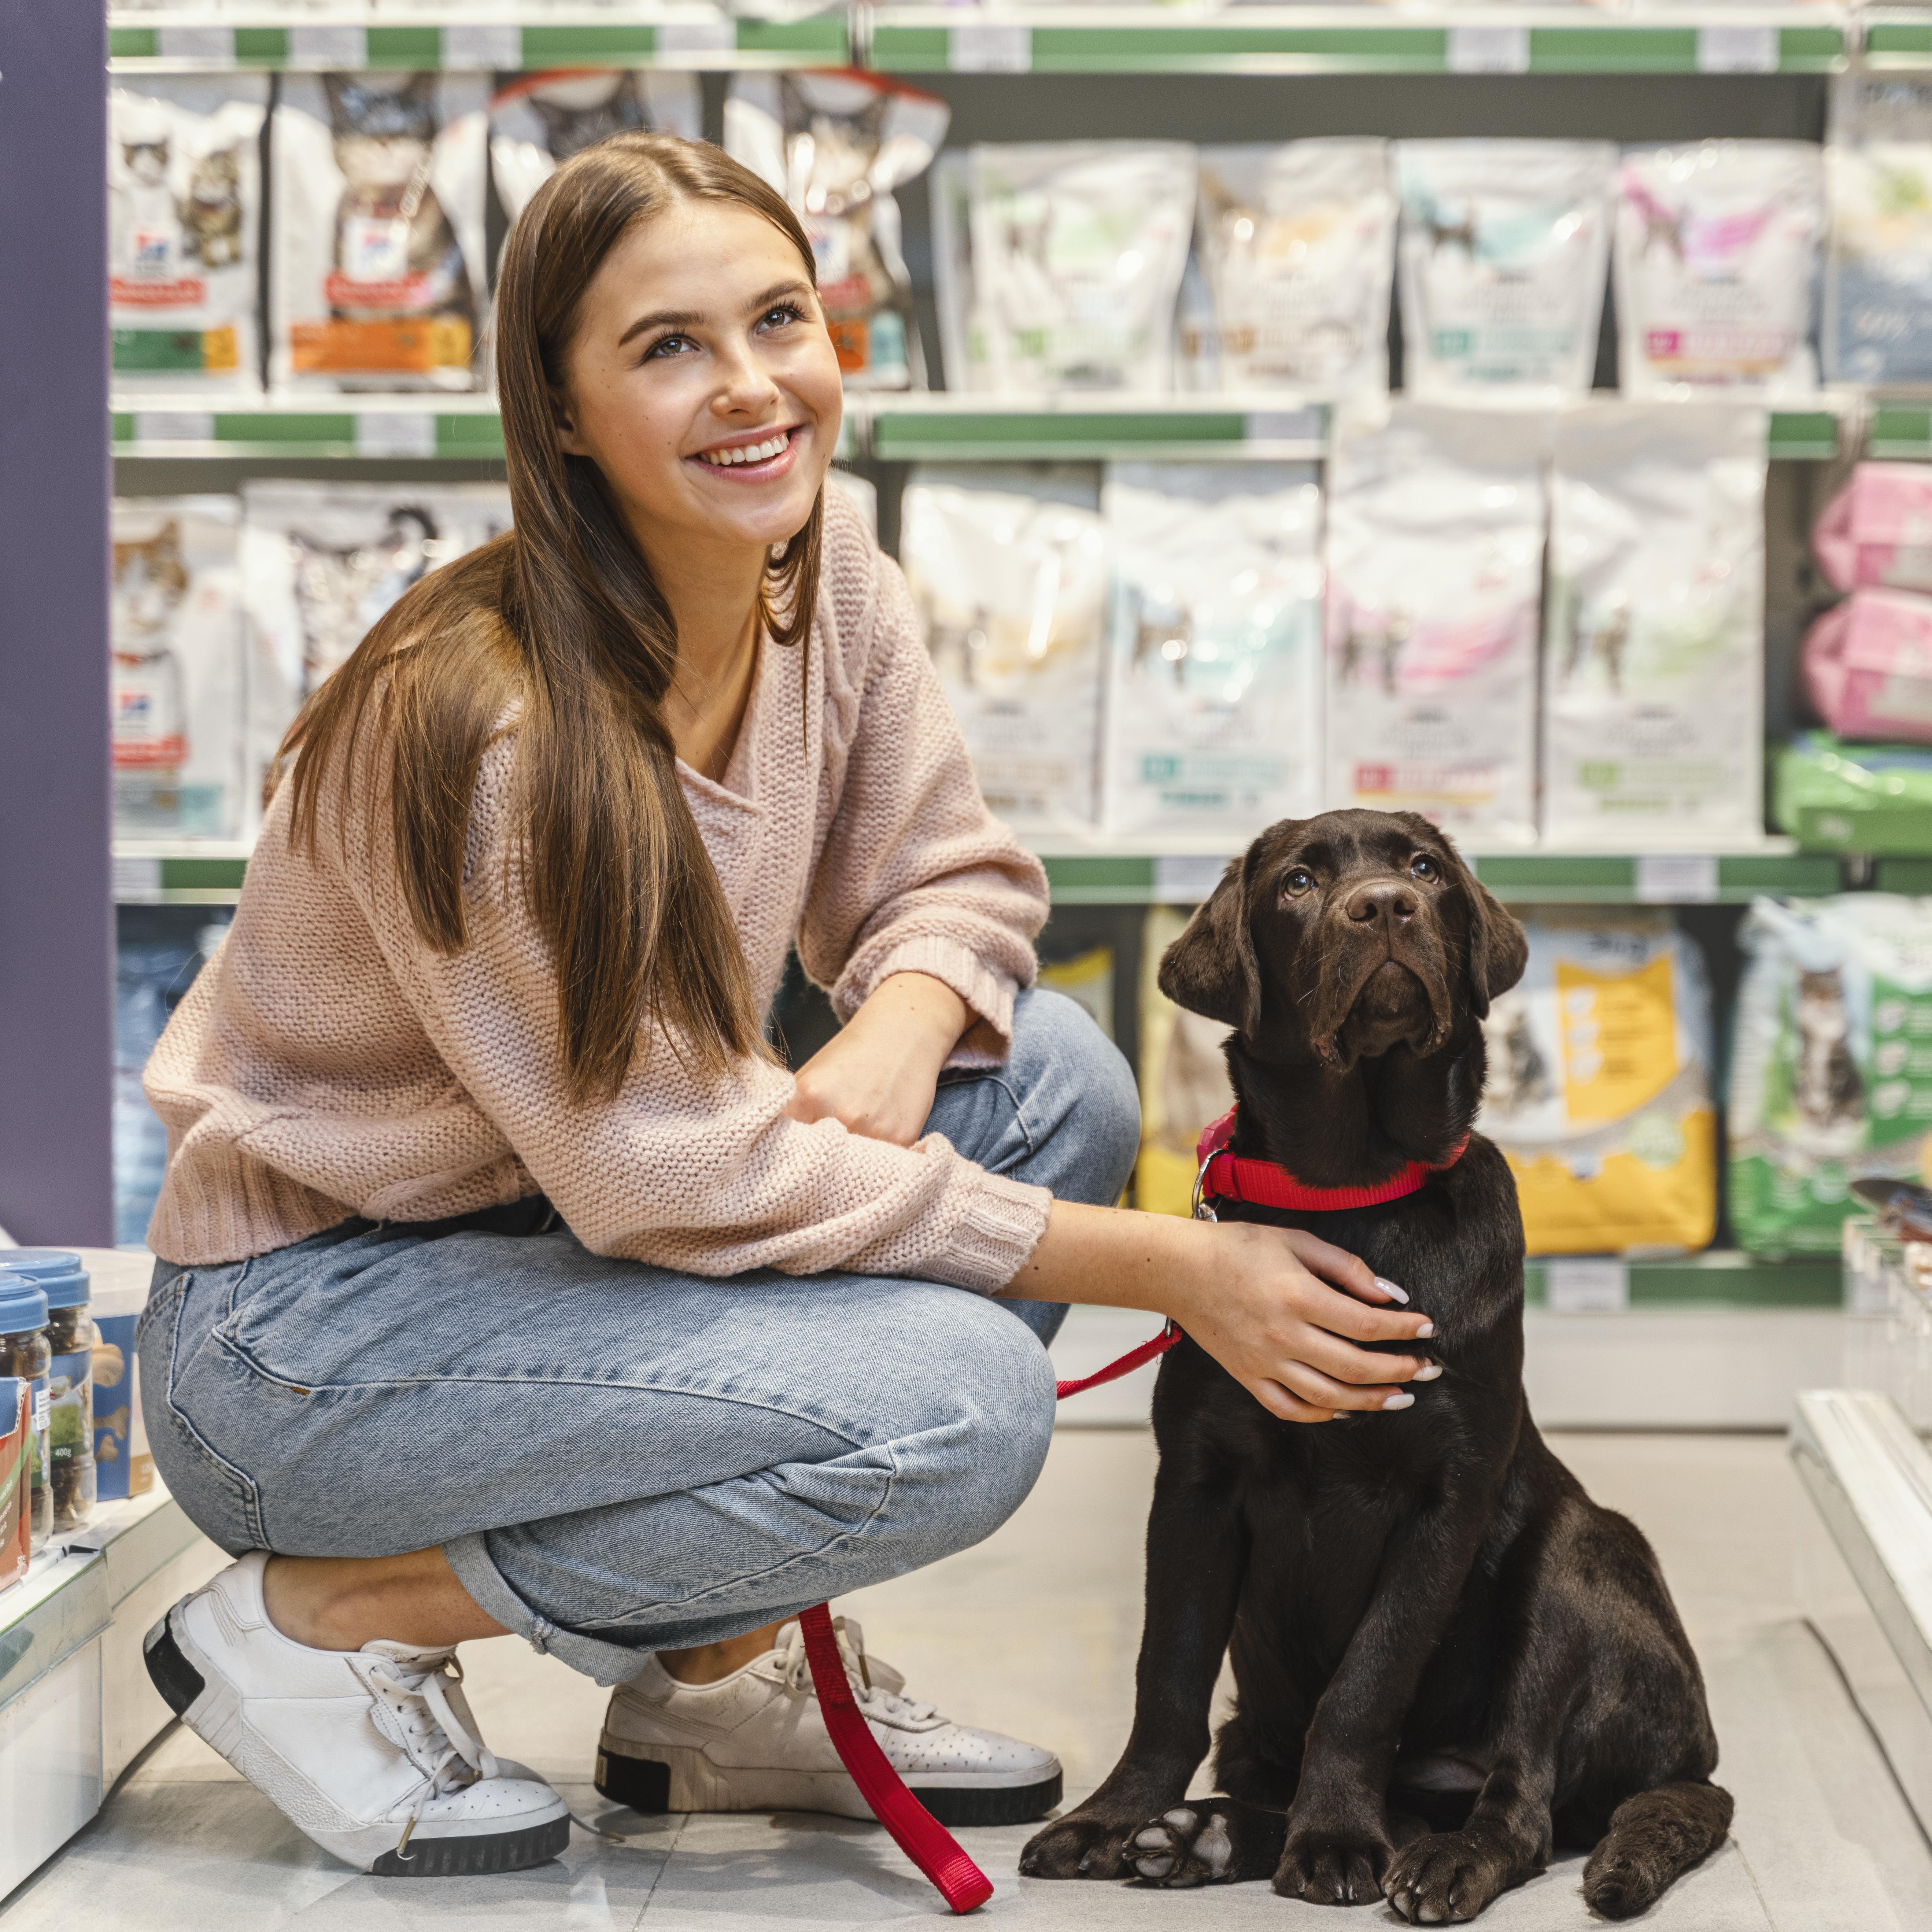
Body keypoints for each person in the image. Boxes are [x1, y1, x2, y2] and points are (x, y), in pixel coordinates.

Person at [136, 133, 1439, 1880]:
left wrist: (897, 1020)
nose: (752, 386)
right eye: (668, 346)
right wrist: (1163, 1264)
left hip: (552, 1231)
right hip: (311, 1342)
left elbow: (958, 885)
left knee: (1044, 1073)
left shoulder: (819, 585)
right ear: (563, 408)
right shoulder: (484, 730)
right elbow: (667, 1174)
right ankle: (325, 1614)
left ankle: (711, 1675)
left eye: (779, 319)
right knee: (960, 1404)